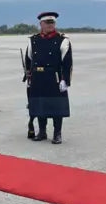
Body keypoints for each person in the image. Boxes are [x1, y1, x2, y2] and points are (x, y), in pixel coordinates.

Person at [25, 11, 72, 144]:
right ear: (41, 24)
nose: (50, 25)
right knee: (40, 105)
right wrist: (28, 77)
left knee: (56, 106)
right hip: (37, 78)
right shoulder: (33, 40)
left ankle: (57, 133)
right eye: (47, 23)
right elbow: (28, 60)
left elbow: (67, 62)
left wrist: (65, 80)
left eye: (52, 23)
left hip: (54, 78)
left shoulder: (62, 40)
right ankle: (42, 131)